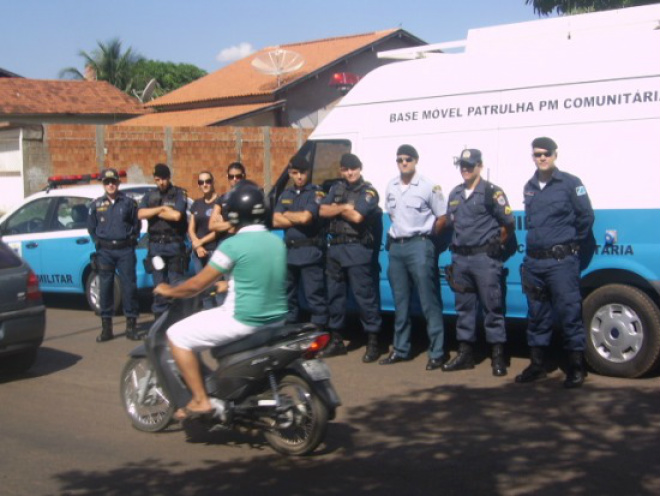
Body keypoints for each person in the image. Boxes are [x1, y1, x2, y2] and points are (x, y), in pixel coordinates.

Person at [154, 181, 287, 419]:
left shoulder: (233, 245)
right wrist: (228, 283)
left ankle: (200, 400)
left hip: (243, 319)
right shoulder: (276, 242)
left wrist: (169, 290)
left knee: (177, 335)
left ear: (235, 214)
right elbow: (260, 274)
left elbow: (196, 284)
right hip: (277, 320)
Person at [516, 137, 594, 388]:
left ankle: (575, 367)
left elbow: (586, 217)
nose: (542, 157)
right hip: (535, 264)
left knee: (569, 314)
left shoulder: (570, 183)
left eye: (546, 153)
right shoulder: (529, 186)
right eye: (537, 154)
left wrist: (569, 244)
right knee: (537, 315)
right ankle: (538, 365)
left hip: (561, 262)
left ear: (555, 154)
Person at [441, 149, 515, 376]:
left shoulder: (492, 192)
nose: (465, 169)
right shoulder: (455, 193)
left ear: (480, 166)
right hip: (461, 259)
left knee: (492, 308)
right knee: (463, 309)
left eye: (470, 165)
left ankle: (498, 357)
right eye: (462, 165)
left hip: (484, 259)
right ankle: (465, 354)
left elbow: (508, 223)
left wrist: (496, 246)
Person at [378, 144, 448, 370]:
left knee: (429, 301)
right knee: (401, 303)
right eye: (400, 159)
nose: (404, 163)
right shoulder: (391, 185)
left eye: (408, 159)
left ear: (416, 161)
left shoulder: (428, 186)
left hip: (420, 244)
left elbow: (442, 217)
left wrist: (428, 239)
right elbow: (392, 214)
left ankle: (437, 352)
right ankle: (401, 349)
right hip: (397, 247)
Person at [319, 152, 382, 363]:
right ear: (341, 171)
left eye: (353, 168)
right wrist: (345, 206)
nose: (350, 172)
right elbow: (322, 211)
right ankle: (337, 341)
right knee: (335, 297)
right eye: (345, 169)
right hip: (336, 249)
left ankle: (373, 342)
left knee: (365, 297)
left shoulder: (369, 191)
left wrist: (338, 209)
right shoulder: (336, 188)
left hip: (357, 250)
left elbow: (358, 216)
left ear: (360, 167)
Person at [272, 155, 328, 328]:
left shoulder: (316, 193)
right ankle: (290, 329)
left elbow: (306, 218)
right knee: (289, 295)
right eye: (295, 173)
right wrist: (294, 217)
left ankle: (320, 331)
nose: (299, 177)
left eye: (302, 172)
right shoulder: (286, 194)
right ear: (289, 173)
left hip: (310, 252)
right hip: (290, 254)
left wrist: (287, 215)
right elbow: (274, 220)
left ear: (308, 172)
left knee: (314, 296)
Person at [87, 168, 141, 342]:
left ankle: (131, 327)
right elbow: (91, 227)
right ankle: (106, 328)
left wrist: (132, 238)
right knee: (106, 288)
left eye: (113, 182)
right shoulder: (96, 204)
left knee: (129, 287)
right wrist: (97, 242)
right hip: (105, 251)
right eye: (106, 182)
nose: (110, 185)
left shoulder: (129, 203)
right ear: (103, 184)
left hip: (125, 250)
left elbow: (136, 224)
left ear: (118, 183)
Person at [138, 164, 188, 320]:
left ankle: (176, 320)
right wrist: (161, 210)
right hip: (156, 246)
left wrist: (153, 212)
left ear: (169, 177)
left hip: (174, 245)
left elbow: (176, 216)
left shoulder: (179, 194)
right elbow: (140, 214)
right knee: (159, 286)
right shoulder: (149, 195)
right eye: (158, 179)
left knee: (175, 285)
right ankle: (159, 322)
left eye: (164, 179)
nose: (161, 183)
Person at [188, 171, 220, 309]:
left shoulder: (219, 203)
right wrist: (197, 245)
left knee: (217, 289)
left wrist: (201, 242)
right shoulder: (196, 204)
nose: (205, 185)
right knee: (204, 289)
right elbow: (191, 228)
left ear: (213, 182)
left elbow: (218, 230)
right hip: (198, 253)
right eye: (201, 182)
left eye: (208, 181)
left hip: (215, 251)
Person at [209, 162, 246, 235]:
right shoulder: (222, 199)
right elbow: (212, 225)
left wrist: (223, 224)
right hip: (226, 240)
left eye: (238, 176)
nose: (234, 179)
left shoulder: (249, 197)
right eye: (231, 176)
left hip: (244, 239)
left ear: (244, 176)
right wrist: (232, 224)